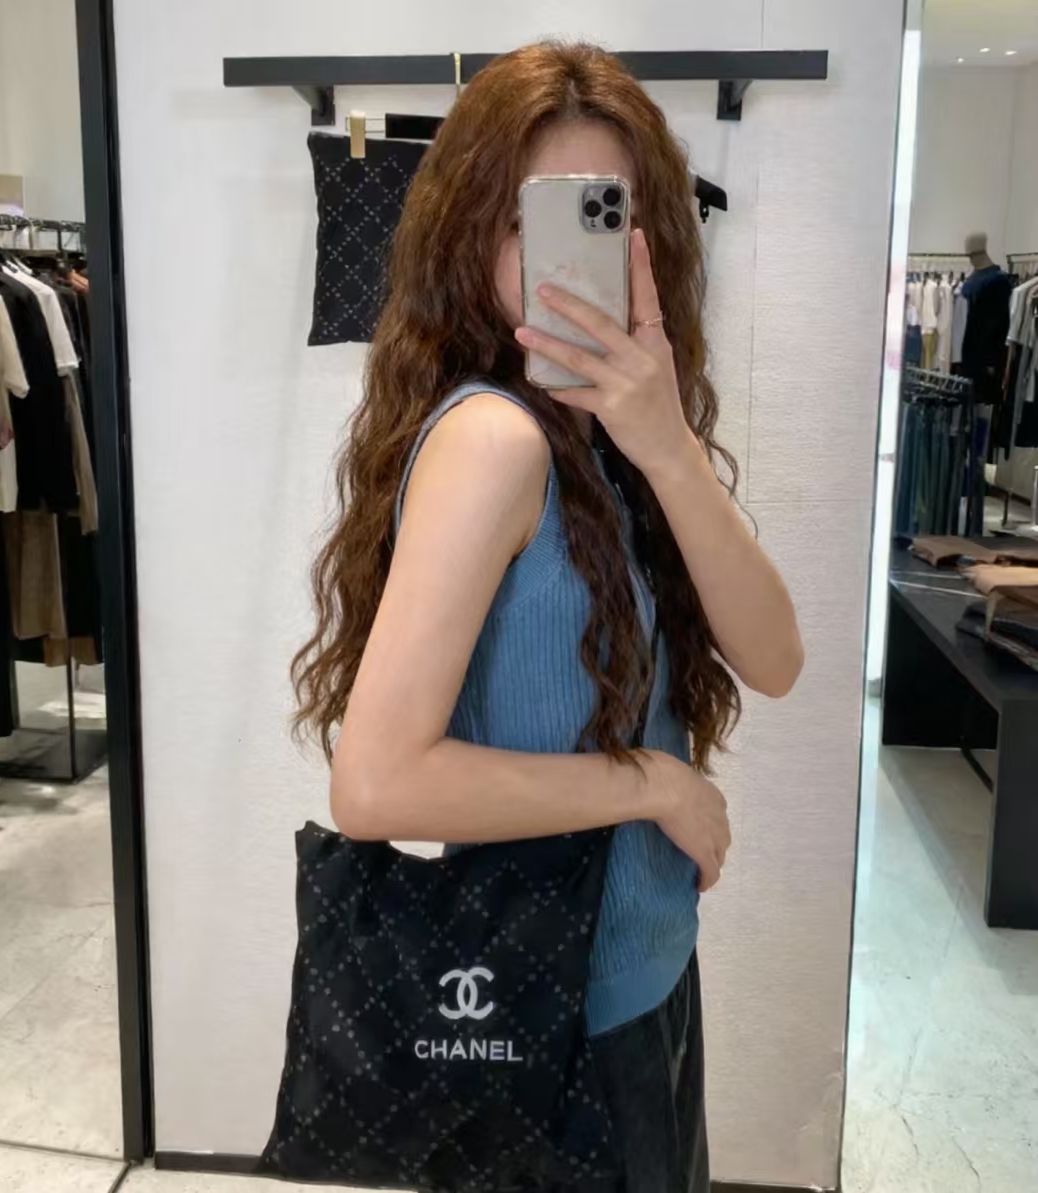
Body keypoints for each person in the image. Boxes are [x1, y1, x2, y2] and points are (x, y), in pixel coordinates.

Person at [292, 41, 803, 1193]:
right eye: (526, 219)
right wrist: (657, 783)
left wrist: (668, 444)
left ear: (649, 240)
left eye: (597, 215)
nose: (560, 259)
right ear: (468, 236)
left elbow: (776, 656)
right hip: (558, 1012)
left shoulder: (616, 440)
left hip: (636, 972)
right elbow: (374, 784)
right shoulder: (496, 439)